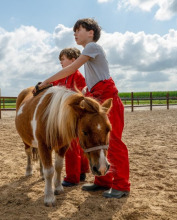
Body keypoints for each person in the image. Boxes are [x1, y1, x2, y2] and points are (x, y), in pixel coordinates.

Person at [34, 18, 130, 199]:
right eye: (74, 31)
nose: (75, 34)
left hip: (107, 99)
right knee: (95, 139)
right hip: (98, 97)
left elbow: (71, 69)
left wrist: (46, 82)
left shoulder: (92, 47)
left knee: (114, 142)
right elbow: (92, 79)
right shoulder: (90, 51)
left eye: (78, 30)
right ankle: (103, 181)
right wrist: (87, 92)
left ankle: (122, 185)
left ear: (91, 33)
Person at [51, 47, 90, 187]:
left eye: (63, 59)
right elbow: (52, 85)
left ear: (73, 60)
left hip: (73, 116)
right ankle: (82, 172)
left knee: (71, 147)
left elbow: (80, 95)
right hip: (67, 114)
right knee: (77, 145)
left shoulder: (78, 77)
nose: (61, 62)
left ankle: (72, 177)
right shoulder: (63, 76)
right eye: (60, 60)